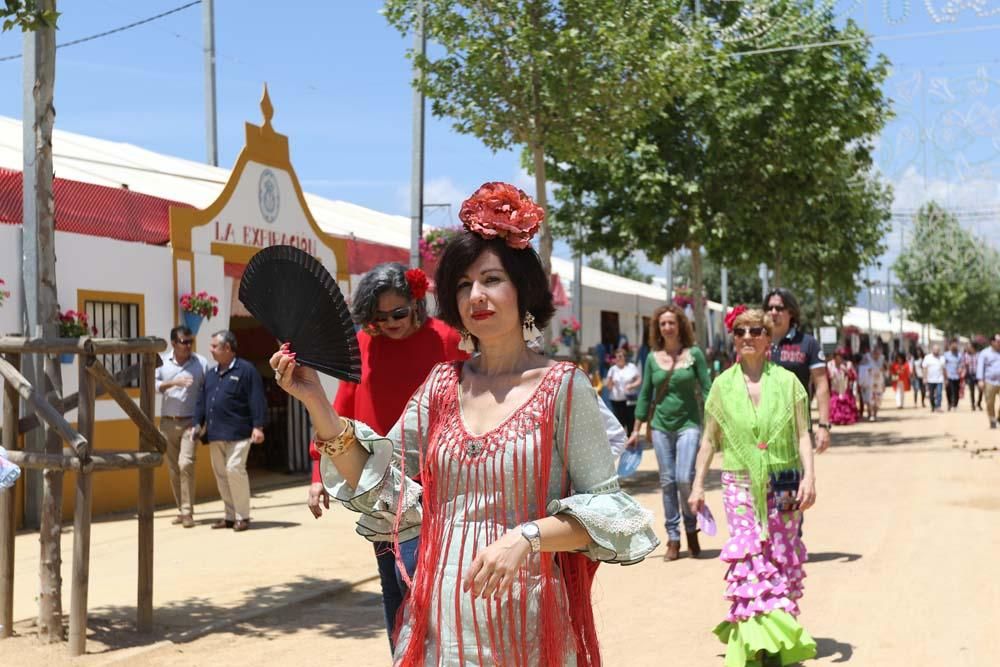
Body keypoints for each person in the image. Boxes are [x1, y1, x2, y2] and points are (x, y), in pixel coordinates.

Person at [271, 182, 657, 665]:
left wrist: (528, 536)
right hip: (441, 618)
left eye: (492, 279)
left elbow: (611, 513)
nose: (476, 295)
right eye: (463, 284)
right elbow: (378, 485)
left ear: (524, 289)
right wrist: (315, 403)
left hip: (527, 622)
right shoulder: (441, 385)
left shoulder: (563, 386)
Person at [306, 262, 466, 649]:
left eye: (398, 312)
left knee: (431, 583)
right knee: (395, 585)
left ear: (416, 304)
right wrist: (317, 472)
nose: (390, 323)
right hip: (380, 486)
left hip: (439, 483)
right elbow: (340, 409)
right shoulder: (363, 345)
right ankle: (403, 656)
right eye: (380, 316)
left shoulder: (444, 339)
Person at [689, 308, 817, 667]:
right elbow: (709, 441)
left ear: (768, 337)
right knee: (750, 557)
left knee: (780, 553)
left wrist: (810, 476)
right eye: (740, 330)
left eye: (755, 330)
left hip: (784, 479)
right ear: (733, 338)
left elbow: (803, 433)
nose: (747, 336)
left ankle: (777, 638)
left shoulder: (789, 382)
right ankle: (756, 641)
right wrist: (698, 485)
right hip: (739, 480)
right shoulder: (721, 386)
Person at [627, 304, 711, 561]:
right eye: (662, 324)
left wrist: (715, 423)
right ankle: (673, 538)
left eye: (671, 323)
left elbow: (707, 389)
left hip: (689, 424)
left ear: (680, 325)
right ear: (658, 328)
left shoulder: (694, 354)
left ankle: (691, 529)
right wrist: (636, 429)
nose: (667, 327)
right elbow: (645, 395)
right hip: (662, 426)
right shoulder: (652, 358)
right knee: (667, 482)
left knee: (684, 478)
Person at [193, 330, 267, 532]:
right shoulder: (211, 374)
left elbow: (257, 399)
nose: (211, 349)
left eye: (214, 346)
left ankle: (243, 516)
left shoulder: (246, 370)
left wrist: (258, 426)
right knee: (221, 475)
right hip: (216, 433)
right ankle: (229, 516)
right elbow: (202, 402)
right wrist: (196, 423)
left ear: (227, 348)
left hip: (240, 433)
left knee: (234, 470)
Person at [764, 289, 830, 453]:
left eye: (779, 308)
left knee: (797, 478)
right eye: (769, 308)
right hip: (761, 429)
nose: (773, 312)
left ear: (791, 312)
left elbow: (821, 385)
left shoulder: (808, 344)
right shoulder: (756, 343)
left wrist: (823, 425)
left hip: (797, 429)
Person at [155, 325, 208, 528]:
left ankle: (187, 512)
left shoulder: (200, 363)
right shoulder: (163, 363)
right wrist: (173, 383)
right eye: (183, 342)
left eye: (190, 342)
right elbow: (151, 382)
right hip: (168, 422)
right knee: (173, 468)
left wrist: (204, 422)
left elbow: (207, 390)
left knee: (186, 464)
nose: (187, 346)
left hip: (190, 423)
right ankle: (181, 509)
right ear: (173, 343)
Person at [604, 347, 642, 436]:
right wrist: (612, 383)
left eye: (621, 356)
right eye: (617, 357)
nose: (618, 358)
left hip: (630, 398)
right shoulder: (612, 369)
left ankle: (631, 440)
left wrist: (632, 385)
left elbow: (639, 379)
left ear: (625, 357)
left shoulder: (631, 367)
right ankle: (621, 442)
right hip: (617, 400)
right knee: (619, 422)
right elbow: (608, 387)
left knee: (631, 420)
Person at [826, 349, 858, 425]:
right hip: (834, 387)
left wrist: (847, 371)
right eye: (837, 357)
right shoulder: (830, 365)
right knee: (834, 403)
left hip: (844, 386)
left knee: (845, 403)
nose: (839, 359)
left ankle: (846, 419)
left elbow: (853, 376)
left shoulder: (848, 364)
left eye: (840, 357)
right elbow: (826, 376)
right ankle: (835, 419)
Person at [977, 334, 1000, 428]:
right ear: (992, 342)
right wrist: (980, 380)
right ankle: (992, 419)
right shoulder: (984, 353)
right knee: (989, 402)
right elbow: (980, 367)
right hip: (989, 381)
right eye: (998, 341)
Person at [922, 344, 946, 413]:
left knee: (939, 393)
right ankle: (933, 406)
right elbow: (924, 368)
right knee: (931, 395)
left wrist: (946, 378)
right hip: (930, 379)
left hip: (939, 379)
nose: (936, 351)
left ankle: (938, 406)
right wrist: (924, 378)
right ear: (932, 350)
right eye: (935, 349)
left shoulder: (942, 358)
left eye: (938, 350)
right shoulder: (927, 357)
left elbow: (944, 369)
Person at [943, 340, 963, 411]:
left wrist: (960, 369)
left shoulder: (959, 355)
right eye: (953, 345)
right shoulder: (946, 354)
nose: (955, 346)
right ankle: (949, 403)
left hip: (956, 376)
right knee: (949, 390)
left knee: (956, 390)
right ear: (950, 346)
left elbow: (961, 364)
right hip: (948, 376)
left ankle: (955, 404)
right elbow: (944, 366)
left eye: (956, 345)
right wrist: (945, 376)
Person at [961, 343, 980, 411]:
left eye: (969, 347)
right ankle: (973, 404)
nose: (968, 348)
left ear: (973, 348)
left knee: (981, 389)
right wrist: (964, 366)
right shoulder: (965, 355)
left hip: (978, 375)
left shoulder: (978, 355)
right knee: (972, 390)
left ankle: (979, 402)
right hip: (970, 375)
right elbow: (962, 364)